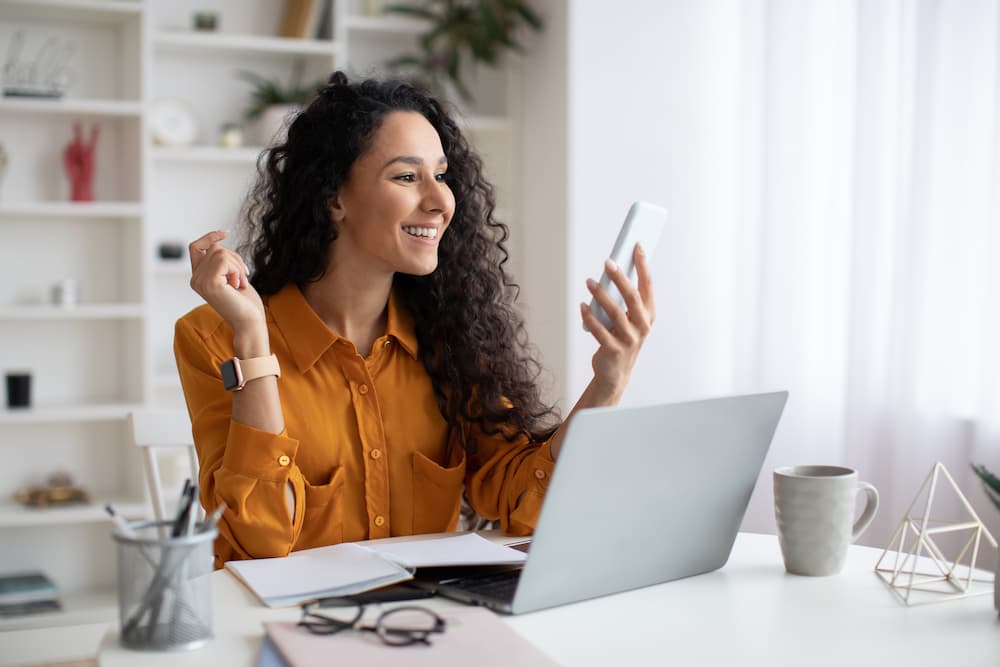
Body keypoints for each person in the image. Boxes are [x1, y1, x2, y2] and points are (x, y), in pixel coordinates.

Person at [174, 71, 655, 568]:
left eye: (441, 176)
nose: (440, 200)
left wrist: (608, 382)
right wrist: (253, 343)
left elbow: (524, 503)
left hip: (420, 623)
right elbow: (259, 540)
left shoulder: (452, 336)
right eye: (407, 177)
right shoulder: (212, 338)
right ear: (333, 198)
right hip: (284, 628)